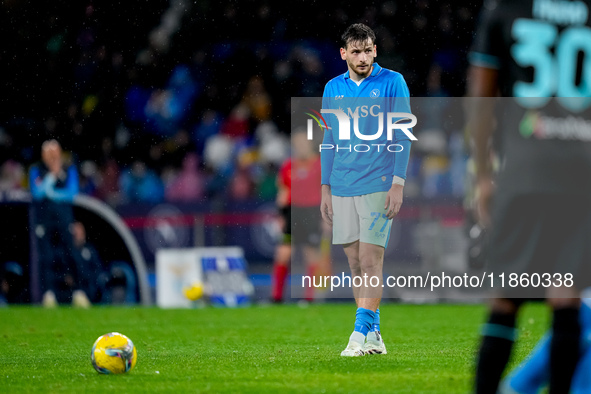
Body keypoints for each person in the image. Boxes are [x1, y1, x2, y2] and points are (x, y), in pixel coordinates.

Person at [467, 0, 591, 392]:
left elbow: (482, 98)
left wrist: (483, 176)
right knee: (566, 296)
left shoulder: (505, 8)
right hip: (581, 172)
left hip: (526, 168)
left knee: (507, 297)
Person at [320, 23, 413, 356]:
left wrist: (398, 184)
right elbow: (329, 141)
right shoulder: (333, 88)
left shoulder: (392, 83)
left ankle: (357, 337)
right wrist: (325, 188)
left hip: (378, 182)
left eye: (368, 50)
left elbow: (403, 135)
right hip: (343, 186)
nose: (363, 57)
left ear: (376, 50)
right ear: (344, 53)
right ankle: (375, 335)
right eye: (356, 51)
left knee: (372, 261)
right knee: (356, 265)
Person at [29, 139, 90, 307]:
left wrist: (51, 192)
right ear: (43, 155)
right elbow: (37, 193)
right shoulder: (36, 170)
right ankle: (48, 294)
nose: (52, 158)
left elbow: (71, 194)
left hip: (64, 219)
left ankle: (79, 292)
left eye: (55, 154)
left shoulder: (69, 170)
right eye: (49, 154)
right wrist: (51, 176)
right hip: (44, 220)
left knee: (72, 254)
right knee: (46, 257)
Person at [270, 130, 325, 303]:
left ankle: (309, 298)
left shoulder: (319, 164)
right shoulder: (288, 166)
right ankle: (276, 298)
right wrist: (280, 216)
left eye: (303, 143)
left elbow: (326, 191)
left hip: (312, 213)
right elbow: (283, 192)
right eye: (297, 144)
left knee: (311, 255)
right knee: (283, 254)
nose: (300, 147)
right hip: (292, 213)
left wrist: (326, 217)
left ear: (309, 145)